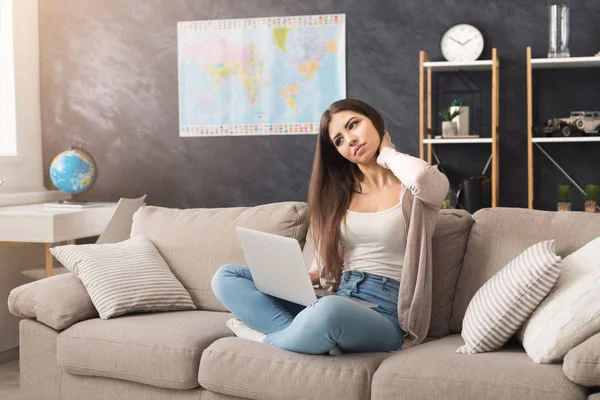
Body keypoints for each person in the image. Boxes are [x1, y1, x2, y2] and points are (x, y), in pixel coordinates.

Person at [211, 99, 449, 355]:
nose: (350, 140)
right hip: (339, 295)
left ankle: (264, 338)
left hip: (386, 313)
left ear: (374, 120)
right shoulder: (339, 197)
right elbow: (324, 263)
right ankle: (306, 335)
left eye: (353, 125)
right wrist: (302, 278)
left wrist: (388, 153)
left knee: (328, 312)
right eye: (339, 140)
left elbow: (425, 177)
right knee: (226, 277)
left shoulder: (415, 192)